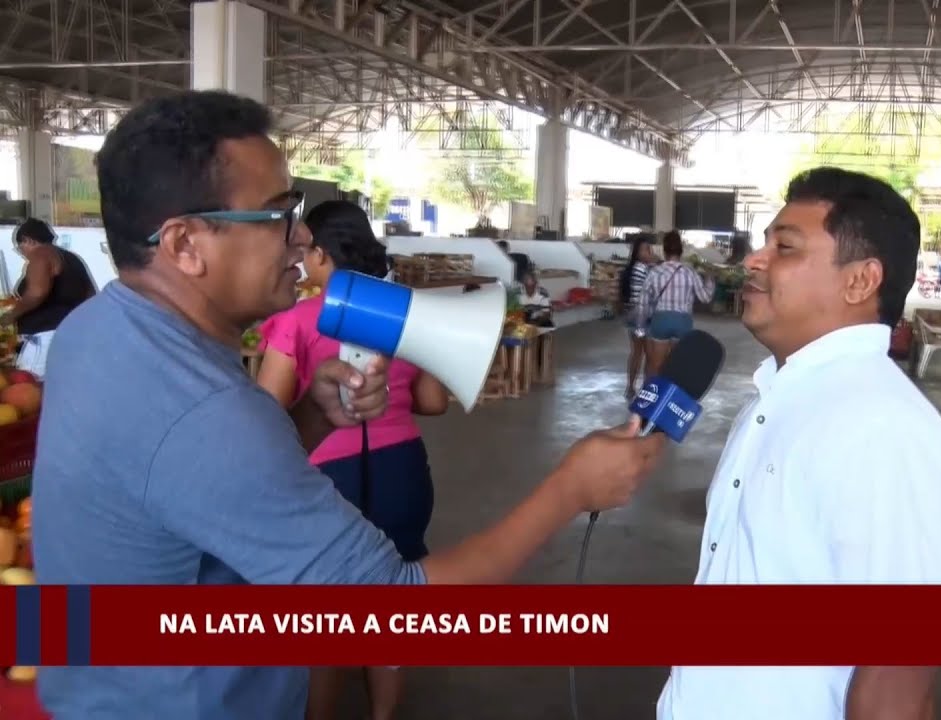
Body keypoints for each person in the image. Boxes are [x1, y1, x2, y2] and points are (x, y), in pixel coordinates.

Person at [30, 89, 666, 720]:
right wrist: (569, 489)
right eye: (278, 214)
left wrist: (309, 416)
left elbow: (187, 490)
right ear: (185, 244)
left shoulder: (96, 329)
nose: (301, 235)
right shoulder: (210, 413)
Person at [656, 168, 941, 720]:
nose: (754, 261)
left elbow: (895, 682)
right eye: (764, 243)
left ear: (859, 281)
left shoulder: (885, 433)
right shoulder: (775, 399)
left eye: (784, 247)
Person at [253, 199, 447, 720]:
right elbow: (433, 402)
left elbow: (267, 415)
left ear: (320, 252)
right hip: (404, 470)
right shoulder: (404, 312)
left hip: (326, 474)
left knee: (326, 615)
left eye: (304, 246)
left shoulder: (296, 319)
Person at [0, 218, 96, 377]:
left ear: (27, 240)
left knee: (34, 390)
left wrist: (9, 317)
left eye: (19, 247)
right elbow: (91, 297)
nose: (22, 253)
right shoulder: (73, 260)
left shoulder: (41, 255)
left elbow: (37, 293)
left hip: (44, 340)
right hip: (73, 336)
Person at [635, 230, 714, 377]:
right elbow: (705, 298)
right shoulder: (690, 272)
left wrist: (640, 328)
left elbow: (643, 302)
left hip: (661, 320)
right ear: (681, 251)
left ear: (664, 251)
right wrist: (709, 279)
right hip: (683, 322)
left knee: (655, 366)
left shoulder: (655, 272)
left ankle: (652, 395)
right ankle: (673, 396)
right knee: (678, 366)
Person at [618, 234, 655, 398]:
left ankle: (630, 387)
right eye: (646, 250)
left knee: (636, 353)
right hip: (643, 317)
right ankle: (646, 388)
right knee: (649, 353)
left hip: (633, 316)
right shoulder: (642, 269)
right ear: (638, 253)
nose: (650, 253)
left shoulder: (632, 269)